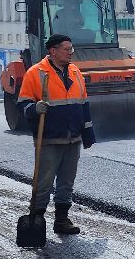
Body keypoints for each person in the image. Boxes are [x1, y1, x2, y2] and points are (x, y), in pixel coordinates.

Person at [17, 33, 95, 236]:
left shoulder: (76, 72)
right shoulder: (36, 73)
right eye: (66, 49)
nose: (71, 52)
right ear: (52, 51)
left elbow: (83, 104)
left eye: (71, 49)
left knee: (66, 182)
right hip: (49, 138)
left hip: (73, 137)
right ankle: (37, 218)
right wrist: (35, 108)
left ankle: (62, 219)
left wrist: (88, 134)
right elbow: (22, 105)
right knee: (43, 181)